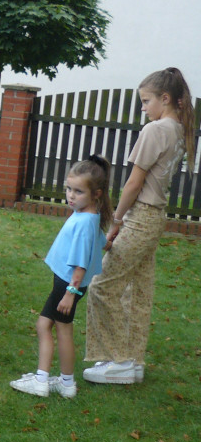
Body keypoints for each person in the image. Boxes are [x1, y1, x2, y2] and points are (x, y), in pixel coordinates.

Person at [83, 68, 196, 385]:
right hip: (155, 218)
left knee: (102, 286)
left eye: (146, 101)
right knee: (137, 292)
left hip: (141, 216)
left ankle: (118, 361)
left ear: (165, 98)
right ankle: (132, 362)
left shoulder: (156, 130)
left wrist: (116, 221)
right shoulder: (178, 130)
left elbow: (134, 183)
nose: (143, 108)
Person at [10, 157, 111, 398]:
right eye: (69, 189)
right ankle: (64, 383)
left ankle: (45, 380)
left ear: (96, 193)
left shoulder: (85, 221)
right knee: (46, 325)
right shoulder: (90, 216)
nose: (71, 196)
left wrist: (70, 293)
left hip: (68, 285)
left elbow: (80, 265)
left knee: (58, 329)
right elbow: (100, 242)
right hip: (66, 285)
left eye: (78, 191)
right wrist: (108, 244)